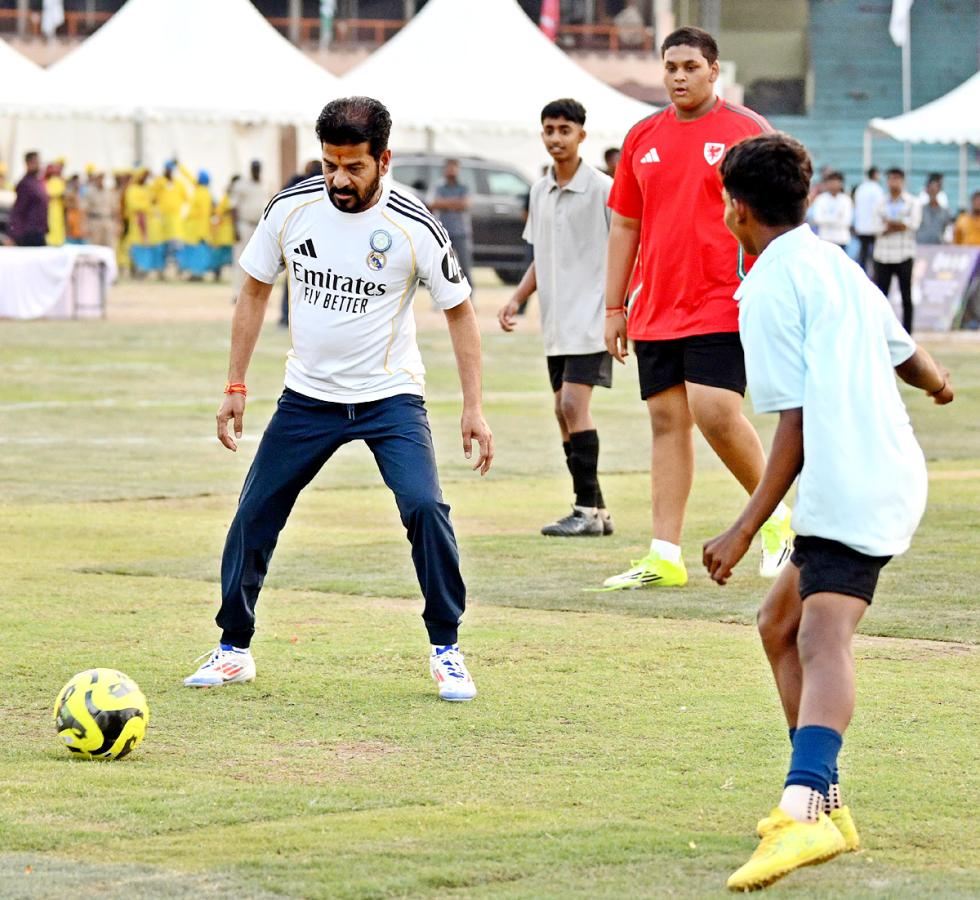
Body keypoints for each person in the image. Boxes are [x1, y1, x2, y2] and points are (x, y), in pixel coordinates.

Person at [704, 132, 954, 892]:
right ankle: (829, 805)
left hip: (854, 479)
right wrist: (939, 384)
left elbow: (796, 424)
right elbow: (905, 351)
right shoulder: (835, 261)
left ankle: (802, 808)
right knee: (779, 624)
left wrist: (744, 527)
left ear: (736, 210)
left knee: (820, 635)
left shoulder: (768, 287)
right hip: (873, 469)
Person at [183, 97, 493, 703]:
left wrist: (473, 408)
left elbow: (460, 313)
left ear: (384, 160)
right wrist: (235, 385)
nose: (338, 180)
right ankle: (233, 649)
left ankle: (447, 648)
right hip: (308, 398)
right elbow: (253, 292)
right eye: (329, 165)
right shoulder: (289, 208)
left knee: (425, 507)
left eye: (354, 167)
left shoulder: (415, 225)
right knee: (253, 513)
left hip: (390, 398)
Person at [601, 26, 793, 591]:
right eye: (671, 67)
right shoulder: (642, 137)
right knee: (666, 423)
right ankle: (665, 555)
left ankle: (779, 522)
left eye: (690, 66)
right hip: (656, 303)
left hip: (723, 298)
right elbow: (625, 225)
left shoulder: (747, 130)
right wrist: (614, 305)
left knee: (715, 411)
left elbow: (781, 213)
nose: (679, 76)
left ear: (714, 70)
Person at [497, 98, 614, 537]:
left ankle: (584, 510)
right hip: (556, 324)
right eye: (549, 130)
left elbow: (629, 249)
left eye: (565, 130)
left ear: (582, 135)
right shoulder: (539, 190)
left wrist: (621, 308)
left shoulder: (603, 189)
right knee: (562, 411)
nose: (556, 138)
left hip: (592, 319)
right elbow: (541, 256)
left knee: (572, 405)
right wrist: (516, 298)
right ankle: (598, 510)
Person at [872, 167, 920, 333]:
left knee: (906, 296)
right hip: (883, 255)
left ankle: (908, 333)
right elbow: (875, 227)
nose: (894, 182)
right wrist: (899, 224)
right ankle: (879, 331)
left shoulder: (912, 202)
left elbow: (913, 225)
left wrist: (889, 224)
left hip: (904, 254)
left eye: (897, 179)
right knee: (881, 296)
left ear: (903, 181)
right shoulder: (880, 202)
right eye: (891, 179)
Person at [429, 159, 475, 300]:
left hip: (462, 232)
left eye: (454, 168)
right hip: (443, 233)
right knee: (441, 268)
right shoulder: (438, 186)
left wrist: (445, 203)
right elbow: (433, 203)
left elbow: (466, 204)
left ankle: (470, 298)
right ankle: (440, 299)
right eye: (449, 168)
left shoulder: (464, 186)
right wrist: (456, 203)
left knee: (465, 267)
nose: (451, 171)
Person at [230, 160, 267, 302]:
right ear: (251, 170)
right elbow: (233, 207)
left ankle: (255, 294)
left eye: (258, 169)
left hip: (259, 227)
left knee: (258, 262)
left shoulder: (263, 185)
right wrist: (235, 229)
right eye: (254, 169)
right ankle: (237, 294)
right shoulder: (241, 185)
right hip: (244, 225)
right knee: (240, 260)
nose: (256, 171)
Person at [179, 170, 215, 280]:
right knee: (195, 252)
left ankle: (197, 273)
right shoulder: (202, 191)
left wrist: (203, 232)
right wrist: (180, 166)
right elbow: (190, 178)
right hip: (196, 229)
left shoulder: (202, 193)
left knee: (198, 253)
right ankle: (195, 273)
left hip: (198, 230)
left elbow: (203, 213)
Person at [154, 162, 190, 271]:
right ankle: (163, 267)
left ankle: (178, 267)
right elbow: (153, 197)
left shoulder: (178, 184)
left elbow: (186, 198)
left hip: (176, 219)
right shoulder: (159, 182)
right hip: (163, 218)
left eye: (170, 170)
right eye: (167, 170)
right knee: (164, 244)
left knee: (176, 243)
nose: (169, 172)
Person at [9, 151, 48, 247]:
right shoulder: (25, 184)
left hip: (39, 231)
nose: (38, 165)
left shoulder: (37, 182)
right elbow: (18, 210)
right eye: (35, 162)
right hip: (29, 233)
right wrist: (13, 235)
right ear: (28, 163)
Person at [809, 171, 852, 249]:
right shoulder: (821, 199)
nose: (833, 185)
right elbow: (817, 219)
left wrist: (826, 219)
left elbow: (846, 221)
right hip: (825, 239)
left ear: (841, 183)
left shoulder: (846, 199)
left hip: (841, 239)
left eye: (836, 182)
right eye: (831, 182)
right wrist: (837, 218)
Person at [852, 166, 884, 273]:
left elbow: (856, 207)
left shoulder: (861, 188)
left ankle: (863, 273)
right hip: (873, 227)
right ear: (875, 175)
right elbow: (880, 209)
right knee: (875, 254)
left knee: (864, 253)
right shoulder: (877, 189)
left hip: (861, 226)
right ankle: (874, 274)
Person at [82, 169, 115, 248]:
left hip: (107, 221)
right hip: (95, 222)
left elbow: (114, 209)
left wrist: (117, 224)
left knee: (109, 246)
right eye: (99, 178)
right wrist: (84, 226)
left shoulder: (109, 192)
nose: (100, 180)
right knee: (95, 247)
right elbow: (84, 210)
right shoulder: (90, 192)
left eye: (102, 178)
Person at [917, 174, 952, 245]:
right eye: (931, 190)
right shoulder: (919, 209)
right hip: (921, 245)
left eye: (935, 190)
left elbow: (947, 229)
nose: (933, 192)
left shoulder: (945, 211)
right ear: (927, 190)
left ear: (939, 190)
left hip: (937, 246)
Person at [45, 159, 66, 247]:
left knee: (58, 226)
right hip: (52, 209)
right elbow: (50, 194)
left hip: (59, 209)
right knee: (52, 225)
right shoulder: (51, 180)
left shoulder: (61, 180)